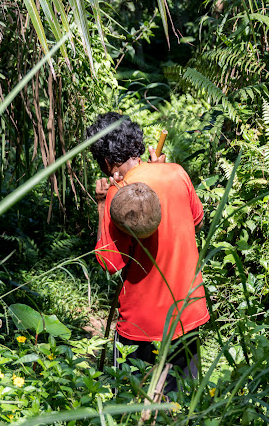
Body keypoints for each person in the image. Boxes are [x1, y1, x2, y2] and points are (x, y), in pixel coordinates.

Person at [87, 112, 209, 393]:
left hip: (141, 327)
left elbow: (109, 262)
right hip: (186, 314)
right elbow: (197, 222)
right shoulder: (176, 172)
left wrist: (102, 204)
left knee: (136, 407)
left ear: (106, 162)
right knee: (183, 404)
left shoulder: (119, 192)